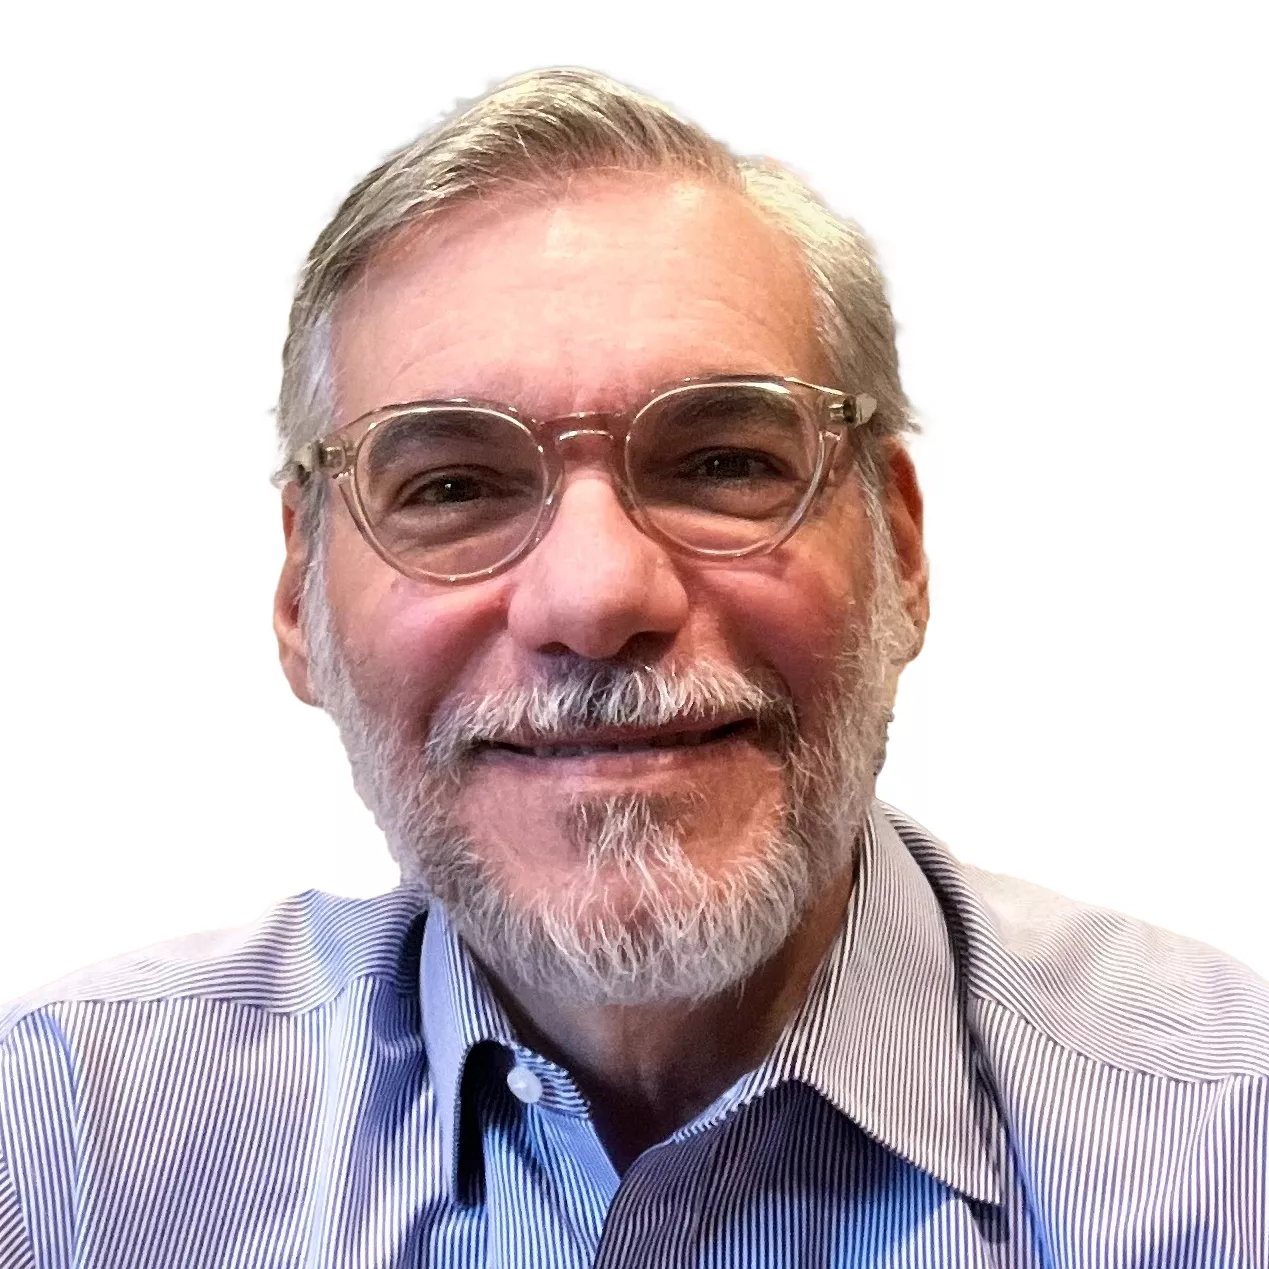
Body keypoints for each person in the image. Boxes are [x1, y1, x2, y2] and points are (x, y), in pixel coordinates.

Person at [1, 66, 1265, 1268]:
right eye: (451, 486)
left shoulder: (1230, 1150)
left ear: (902, 547)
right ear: (297, 598)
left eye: (723, 464)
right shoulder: (69, 1145)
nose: (598, 598)